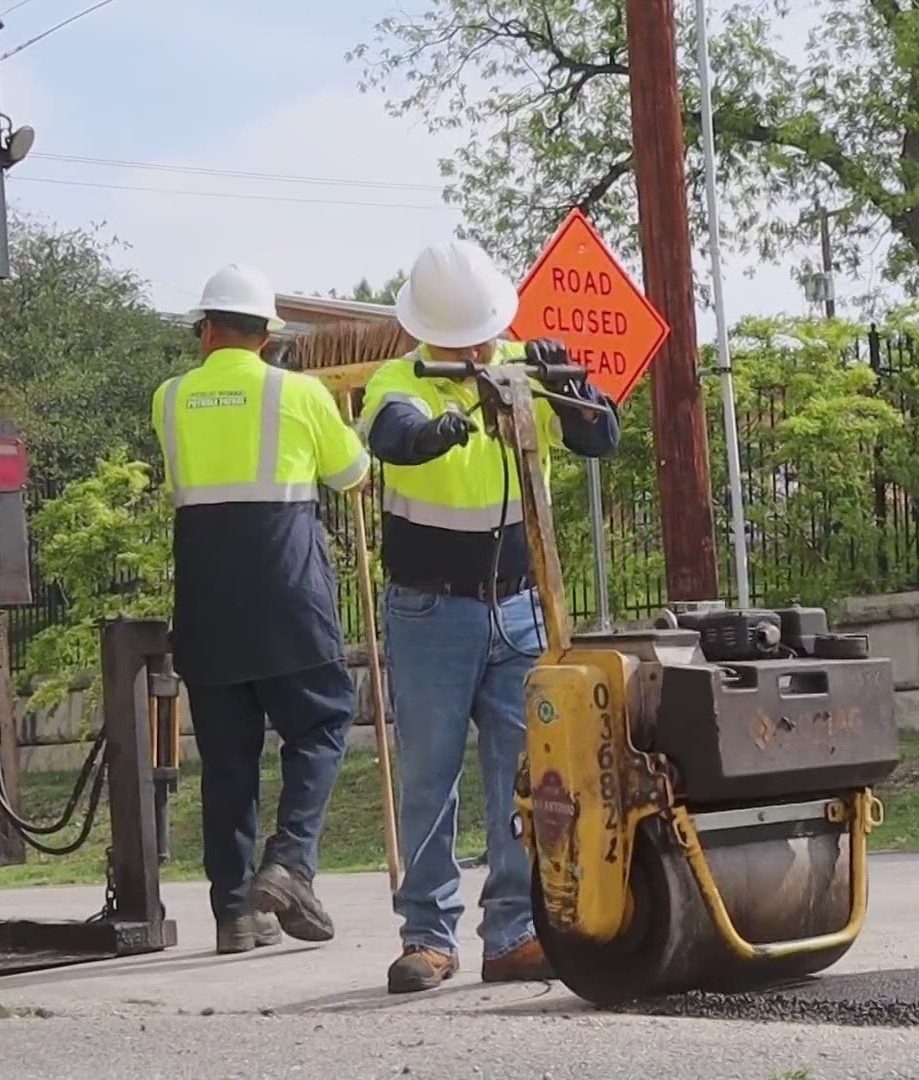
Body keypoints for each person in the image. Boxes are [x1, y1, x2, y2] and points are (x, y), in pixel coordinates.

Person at [357, 240, 620, 993]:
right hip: (430, 605)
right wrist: (434, 432)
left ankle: (513, 930)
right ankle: (428, 936)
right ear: (425, 330)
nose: (473, 346)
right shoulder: (399, 379)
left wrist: (566, 378)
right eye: (458, 335)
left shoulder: (520, 368)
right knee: (428, 775)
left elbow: (601, 437)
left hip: (519, 600)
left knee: (525, 774)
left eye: (480, 331)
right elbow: (391, 434)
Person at [151, 263, 372, 955]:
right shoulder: (298, 394)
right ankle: (289, 864)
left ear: (207, 330)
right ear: (268, 334)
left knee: (227, 764)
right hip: (289, 599)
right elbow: (352, 474)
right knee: (323, 724)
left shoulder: (169, 398)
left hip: (209, 604)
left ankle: (235, 916)